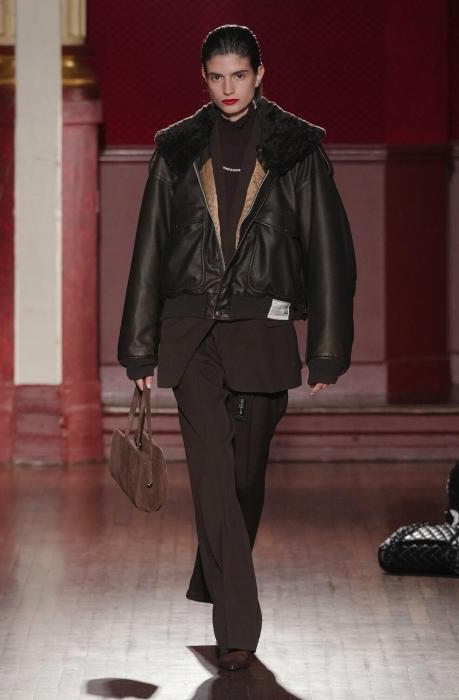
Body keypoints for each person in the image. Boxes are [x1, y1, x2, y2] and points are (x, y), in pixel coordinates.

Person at [117, 24, 356, 670]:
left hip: (262, 333)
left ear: (259, 75)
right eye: (217, 77)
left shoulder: (295, 149)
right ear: (204, 78)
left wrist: (328, 348)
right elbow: (149, 248)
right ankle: (238, 629)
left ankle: (213, 575)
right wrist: (139, 347)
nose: (228, 88)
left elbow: (329, 251)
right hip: (191, 332)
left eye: (239, 76)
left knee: (244, 479)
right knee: (214, 479)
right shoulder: (177, 150)